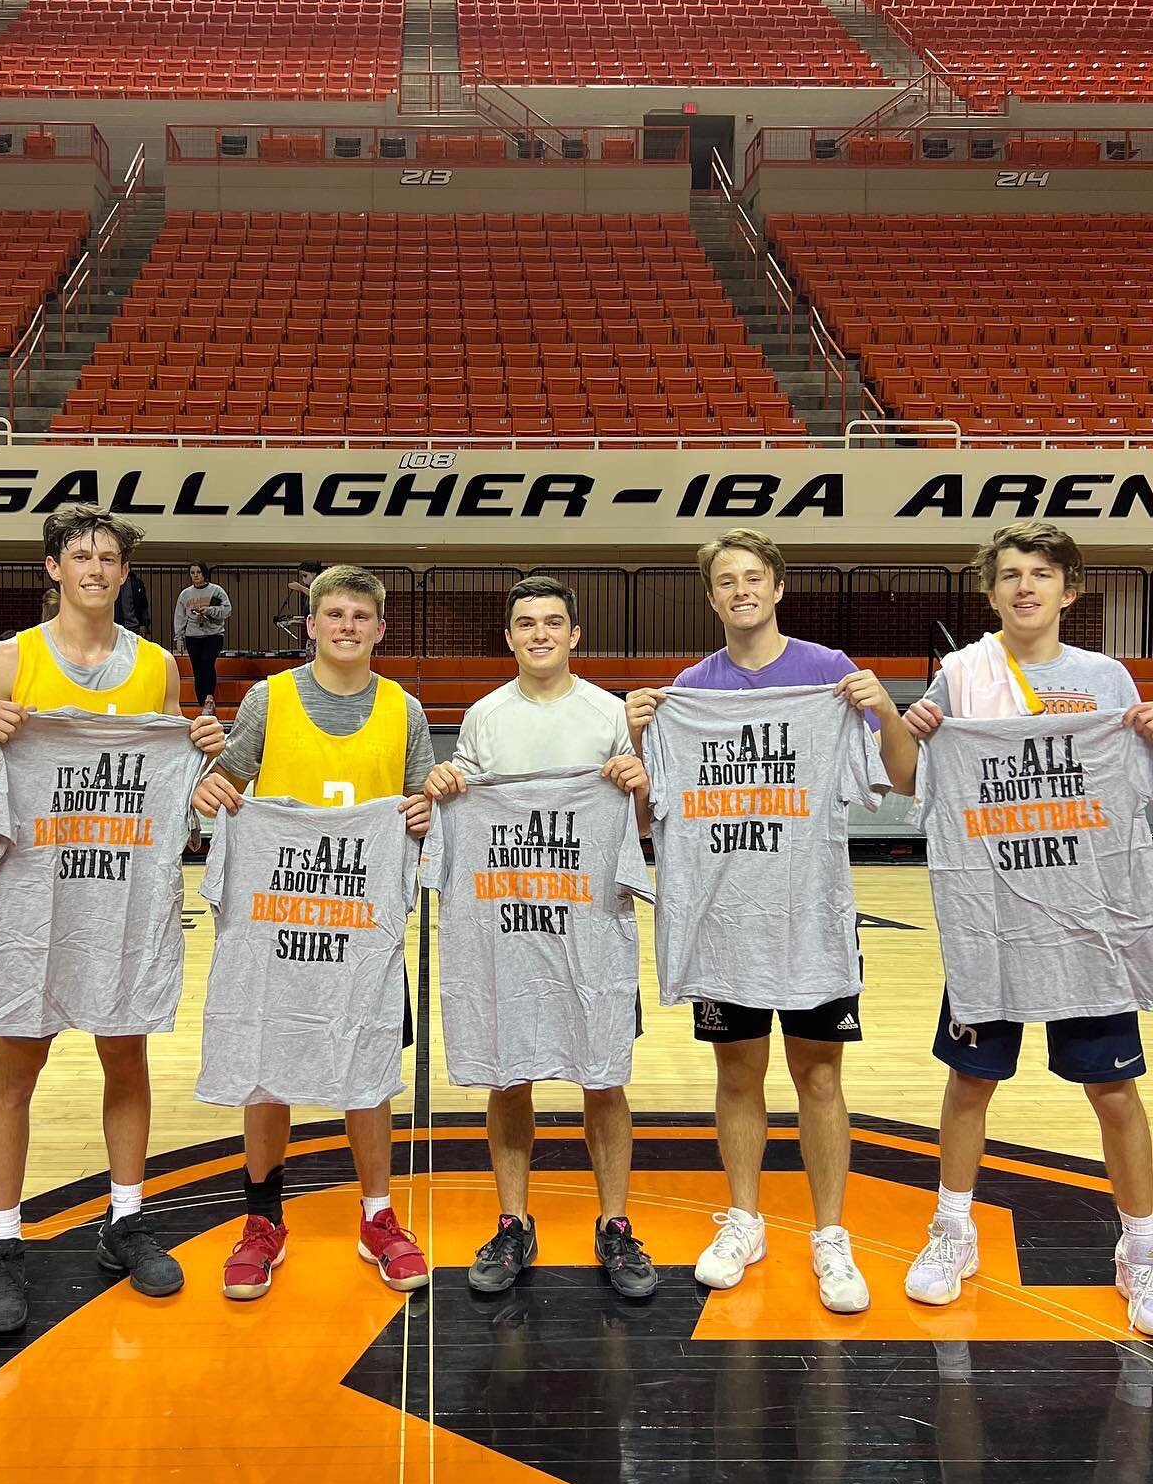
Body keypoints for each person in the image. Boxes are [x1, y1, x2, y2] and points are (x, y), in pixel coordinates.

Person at [626, 528, 916, 1314]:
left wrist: (884, 707)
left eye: (754, 577)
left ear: (777, 586)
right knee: (737, 1075)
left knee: (820, 1075)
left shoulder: (827, 674)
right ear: (712, 596)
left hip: (810, 917)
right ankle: (745, 1217)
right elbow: (649, 807)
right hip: (726, 923)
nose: (741, 590)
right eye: (726, 581)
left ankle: (830, 1233)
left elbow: (898, 777)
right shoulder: (691, 688)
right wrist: (638, 734)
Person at [0, 504, 225, 1334]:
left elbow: (172, 768)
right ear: (53, 568)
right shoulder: (6, 660)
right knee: (15, 1069)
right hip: (37, 895)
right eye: (81, 555)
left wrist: (204, 749)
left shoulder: (156, 668)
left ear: (122, 572)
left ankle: (124, 1219)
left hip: (123, 899)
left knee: (126, 1054)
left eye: (109, 557)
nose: (97, 569)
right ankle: (4, 1242)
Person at [894, 522, 1153, 1332]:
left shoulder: (1107, 678)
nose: (1025, 586)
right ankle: (952, 1230)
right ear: (991, 590)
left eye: (1041, 573)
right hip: (994, 915)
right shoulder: (961, 675)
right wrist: (913, 730)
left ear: (1070, 591)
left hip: (1085, 914)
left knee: (1113, 1090)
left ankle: (1140, 1249)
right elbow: (910, 782)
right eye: (1009, 574)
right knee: (971, 1081)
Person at [193, 564, 435, 1301]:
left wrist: (426, 811)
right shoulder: (270, 698)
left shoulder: (405, 709)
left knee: (367, 1071)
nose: (347, 626)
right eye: (334, 613)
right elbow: (229, 780)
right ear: (312, 624)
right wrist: (211, 785)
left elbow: (425, 799)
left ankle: (378, 1214)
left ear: (380, 629)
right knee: (268, 1067)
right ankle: (262, 1220)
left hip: (362, 929)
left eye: (361, 615)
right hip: (280, 921)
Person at [423, 575, 657, 1298]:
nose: (540, 634)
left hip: (588, 924)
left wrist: (637, 777)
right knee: (507, 1072)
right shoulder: (486, 716)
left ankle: (615, 1225)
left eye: (554, 621)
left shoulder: (609, 713)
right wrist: (446, 783)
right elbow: (465, 791)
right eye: (526, 623)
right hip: (507, 927)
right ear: (510, 636)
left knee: (604, 1077)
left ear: (575, 634)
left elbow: (641, 822)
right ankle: (514, 1219)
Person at [173, 561, 232, 708]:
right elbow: (180, 617)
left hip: (213, 634)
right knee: (197, 669)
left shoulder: (216, 590)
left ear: (204, 573)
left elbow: (227, 610)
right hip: (193, 635)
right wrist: (179, 638)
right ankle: (202, 702)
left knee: (207, 662)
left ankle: (209, 696)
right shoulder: (185, 594)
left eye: (198, 572)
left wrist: (210, 610)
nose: (195, 575)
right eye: (192, 573)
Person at [115, 567, 151, 638]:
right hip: (116, 627)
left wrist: (143, 624)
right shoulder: (113, 584)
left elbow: (143, 605)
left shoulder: (136, 582)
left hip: (134, 628)